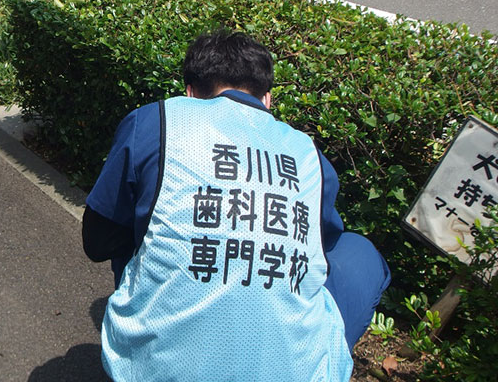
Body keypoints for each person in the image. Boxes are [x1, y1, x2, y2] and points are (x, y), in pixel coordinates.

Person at [82, 30, 391, 381]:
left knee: (140, 227)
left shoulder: (156, 122)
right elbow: (319, 247)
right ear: (268, 99)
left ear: (191, 91)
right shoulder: (308, 154)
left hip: (156, 371)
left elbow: (97, 241)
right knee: (358, 252)